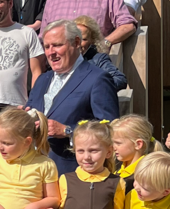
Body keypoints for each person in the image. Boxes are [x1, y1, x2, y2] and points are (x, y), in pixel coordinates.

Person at [27, 20, 119, 174]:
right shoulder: (42, 79)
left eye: (57, 45)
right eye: (47, 47)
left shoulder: (97, 79)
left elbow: (110, 127)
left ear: (76, 43)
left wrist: (68, 130)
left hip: (73, 173)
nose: (51, 52)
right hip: (35, 171)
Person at [74, 16, 127, 91]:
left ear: (92, 40)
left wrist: (94, 89)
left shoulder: (98, 59)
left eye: (84, 39)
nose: (78, 43)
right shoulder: (61, 60)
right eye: (75, 39)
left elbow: (119, 79)